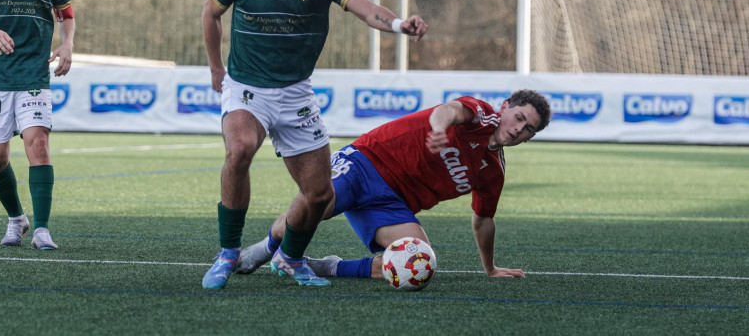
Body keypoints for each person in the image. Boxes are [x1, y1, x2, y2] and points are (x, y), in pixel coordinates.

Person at [201, 0, 428, 289]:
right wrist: (216, 66)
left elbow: (366, 8)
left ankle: (289, 258)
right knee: (239, 150)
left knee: (319, 194)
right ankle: (227, 252)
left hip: (296, 94)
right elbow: (211, 13)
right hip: (247, 87)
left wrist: (397, 25)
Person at [236, 90, 551, 281]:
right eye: (519, 117)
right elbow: (448, 110)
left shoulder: (493, 173)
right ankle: (266, 248)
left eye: (529, 129)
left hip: (390, 206)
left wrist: (491, 268)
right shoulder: (480, 114)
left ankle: (325, 267)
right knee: (315, 204)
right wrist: (439, 128)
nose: (519, 128)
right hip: (366, 163)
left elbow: (483, 220)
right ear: (505, 106)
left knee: (420, 260)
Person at [0, 0, 75, 250]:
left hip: (34, 76)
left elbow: (66, 14)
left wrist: (67, 43)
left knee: (37, 144)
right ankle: (17, 219)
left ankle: (42, 228)